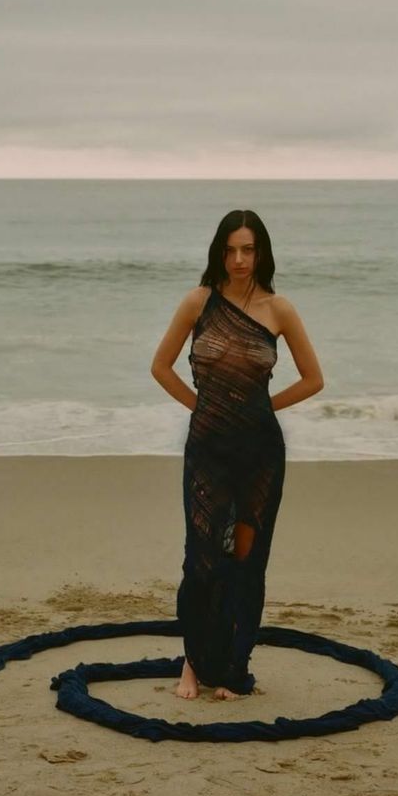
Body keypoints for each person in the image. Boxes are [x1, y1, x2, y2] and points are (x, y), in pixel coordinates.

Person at [150, 210, 324, 701]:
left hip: (259, 453)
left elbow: (314, 379)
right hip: (207, 449)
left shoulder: (279, 309)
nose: (239, 259)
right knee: (201, 561)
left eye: (248, 249)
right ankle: (193, 663)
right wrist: (203, 409)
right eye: (230, 250)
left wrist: (260, 409)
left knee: (244, 561)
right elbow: (160, 367)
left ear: (262, 252)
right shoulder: (198, 302)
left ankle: (231, 666)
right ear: (218, 253)